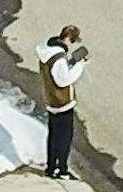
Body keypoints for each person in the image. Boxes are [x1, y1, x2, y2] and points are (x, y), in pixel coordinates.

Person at [37, 25, 88, 178]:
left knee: (53, 136)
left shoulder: (47, 51)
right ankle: (62, 170)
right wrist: (79, 66)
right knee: (64, 138)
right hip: (62, 102)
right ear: (68, 39)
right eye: (72, 41)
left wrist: (70, 63)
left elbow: (56, 73)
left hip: (51, 100)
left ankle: (51, 167)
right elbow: (63, 80)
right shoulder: (58, 57)